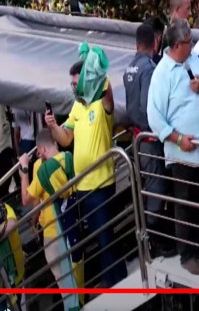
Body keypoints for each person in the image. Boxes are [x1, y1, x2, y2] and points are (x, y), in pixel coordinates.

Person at [45, 54, 128, 287]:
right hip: (82, 185)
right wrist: (53, 126)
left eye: (76, 83)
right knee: (99, 237)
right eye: (71, 84)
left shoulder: (101, 103)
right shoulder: (77, 106)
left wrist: (97, 67)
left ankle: (117, 280)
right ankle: (111, 279)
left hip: (101, 184)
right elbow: (65, 138)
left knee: (105, 236)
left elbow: (109, 94)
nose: (73, 88)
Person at [147, 18, 199, 275]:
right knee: (184, 202)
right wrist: (176, 138)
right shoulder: (162, 73)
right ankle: (187, 254)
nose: (192, 45)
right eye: (188, 42)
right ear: (176, 45)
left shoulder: (193, 60)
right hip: (181, 150)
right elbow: (154, 116)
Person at [123, 24, 176, 258]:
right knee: (156, 189)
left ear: (136, 44)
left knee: (147, 188)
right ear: (155, 42)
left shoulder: (129, 69)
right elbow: (148, 107)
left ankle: (152, 239)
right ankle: (156, 243)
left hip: (137, 138)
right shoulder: (149, 69)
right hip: (150, 138)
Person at [18, 129, 81, 311]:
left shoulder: (40, 168)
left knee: (64, 283)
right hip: (72, 222)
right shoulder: (68, 157)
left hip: (54, 232)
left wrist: (23, 170)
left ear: (41, 149)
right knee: (75, 275)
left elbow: (27, 199)